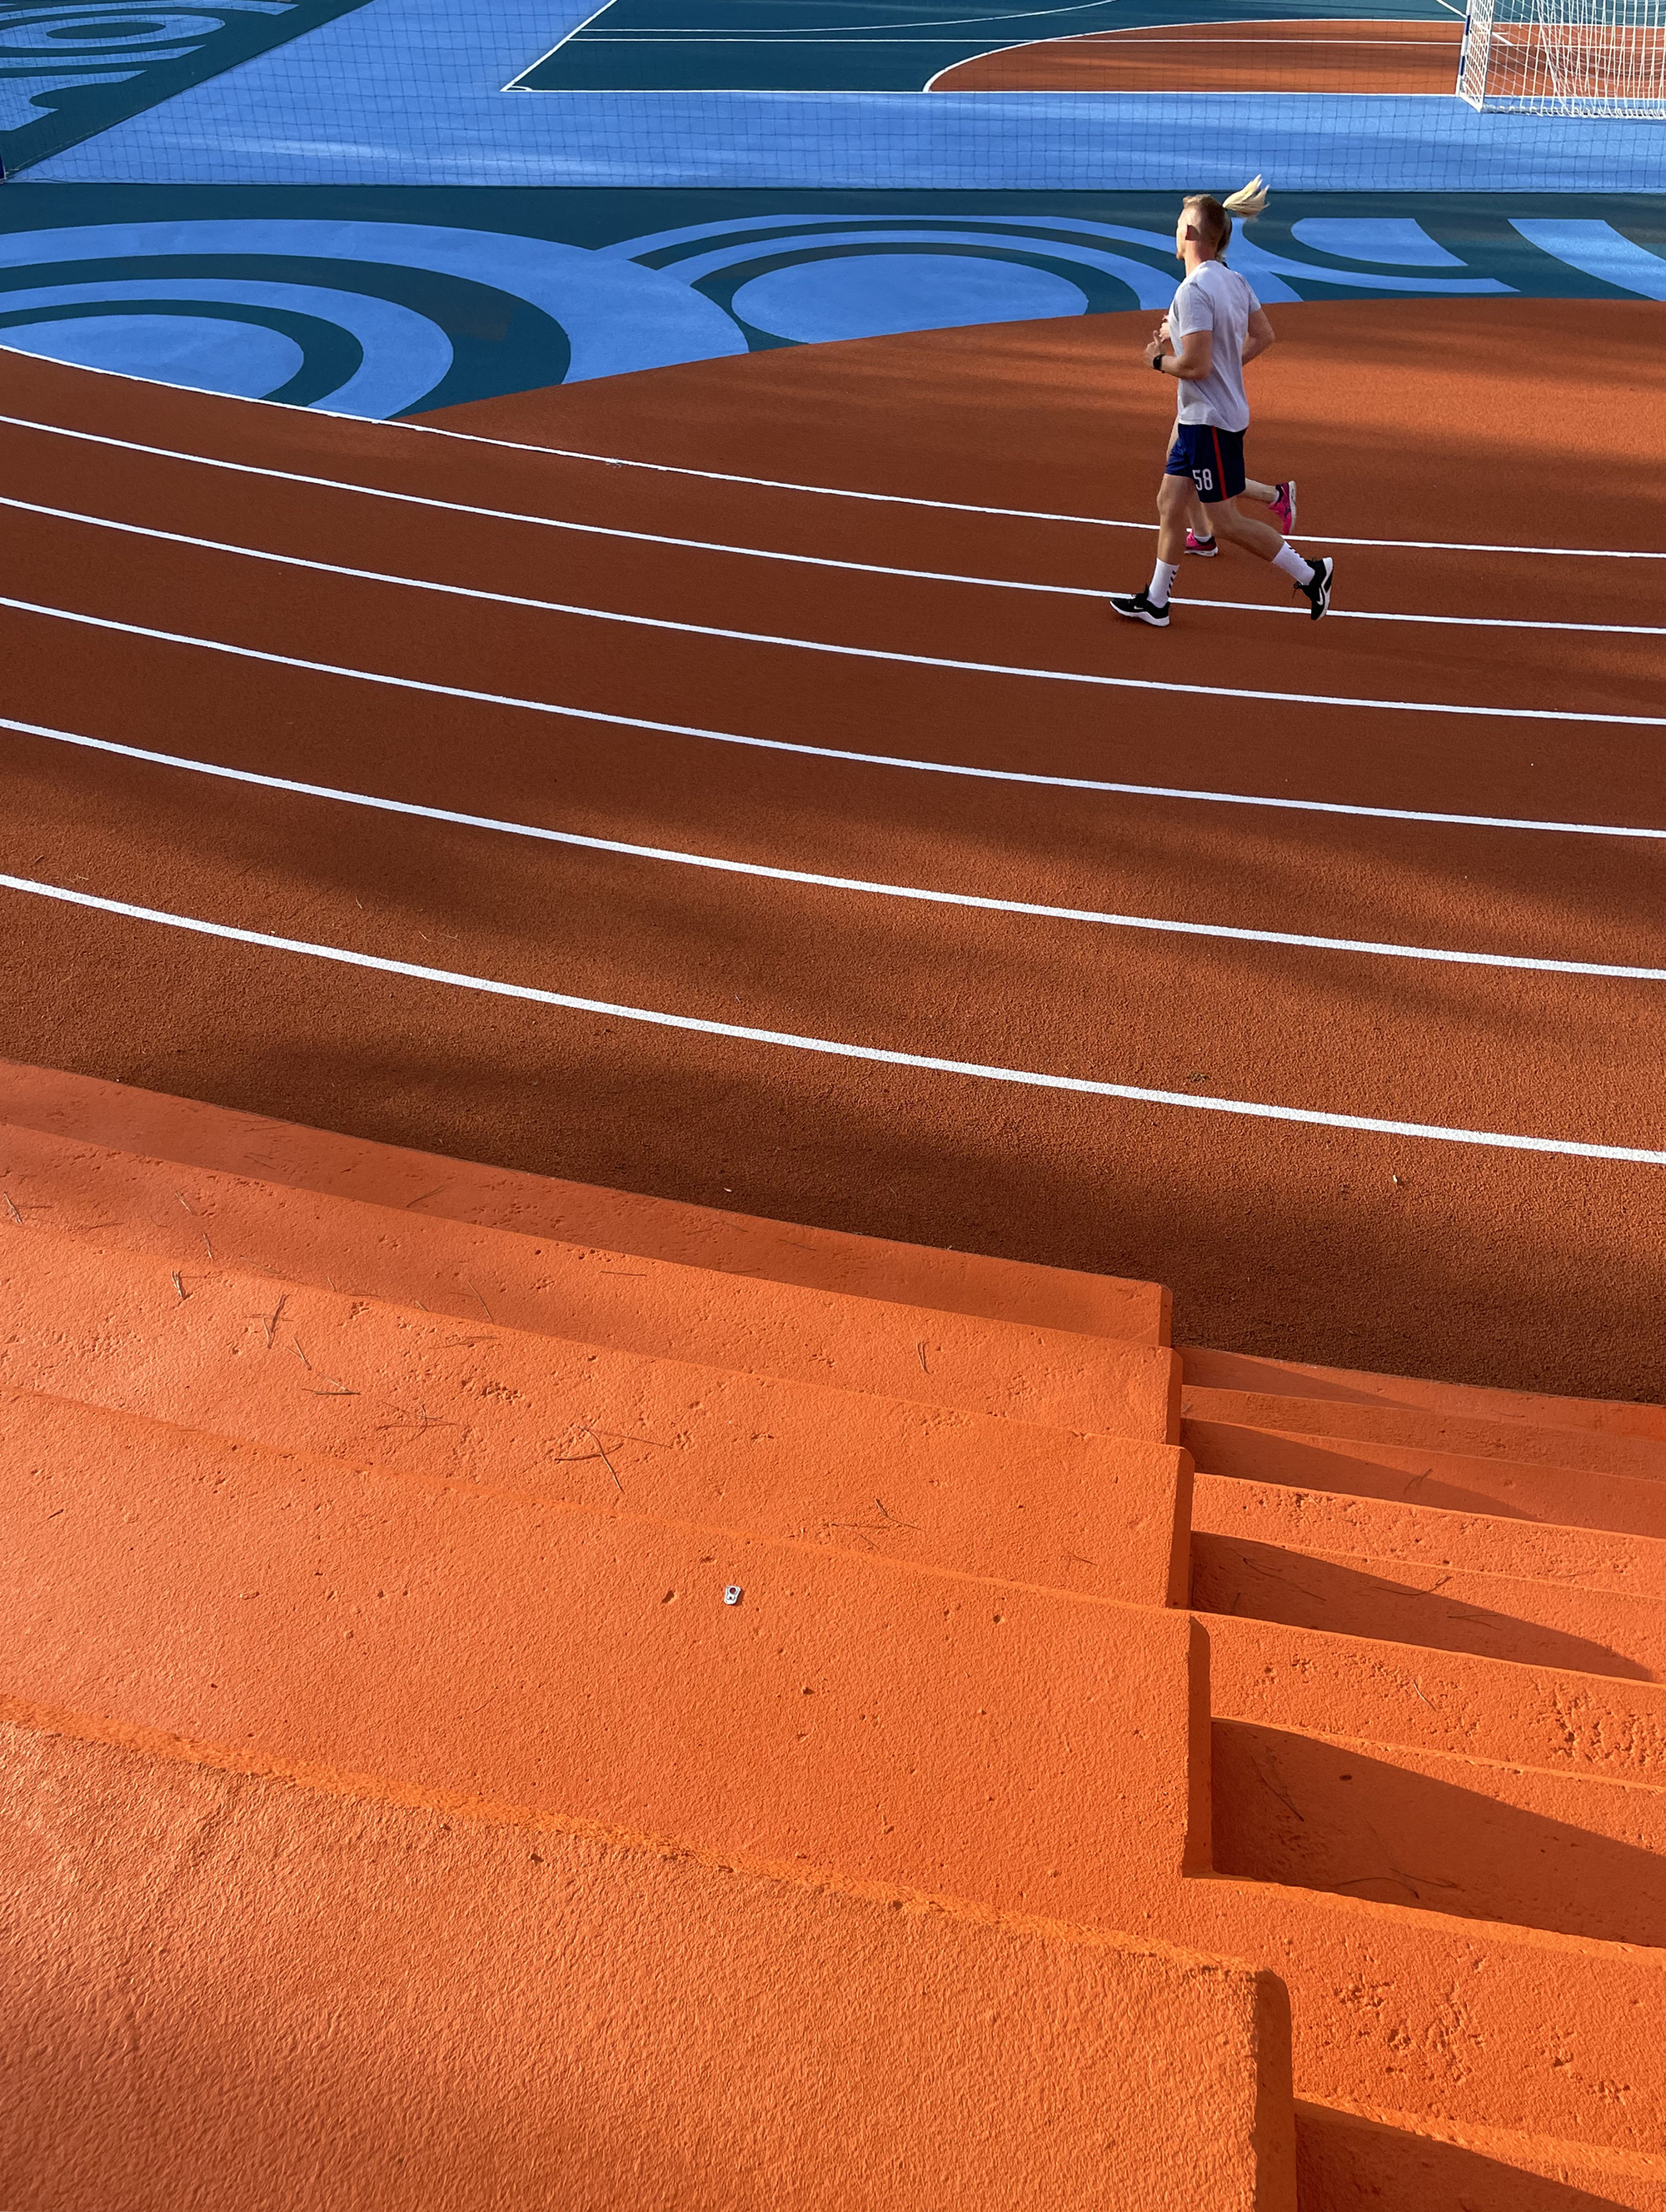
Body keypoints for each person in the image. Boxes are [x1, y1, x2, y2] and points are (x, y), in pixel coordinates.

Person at [1111, 178, 1333, 630]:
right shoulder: (1233, 280)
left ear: (1191, 233)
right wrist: (1227, 365)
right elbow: (1263, 336)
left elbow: (1194, 366)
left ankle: (1312, 575)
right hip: (1206, 416)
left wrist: (1158, 360)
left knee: (1225, 521)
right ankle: (1157, 601)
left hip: (1207, 422)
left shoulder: (1192, 291)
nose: (1174, 232)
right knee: (1170, 502)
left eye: (1178, 225)